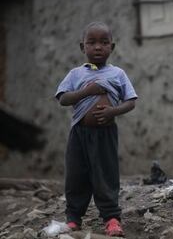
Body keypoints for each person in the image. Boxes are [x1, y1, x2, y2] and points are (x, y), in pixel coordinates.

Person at [55, 21, 137, 237]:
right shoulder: (75, 74)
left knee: (106, 174)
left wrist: (112, 112)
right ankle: (73, 219)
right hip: (79, 134)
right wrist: (87, 91)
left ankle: (111, 218)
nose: (98, 47)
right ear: (82, 47)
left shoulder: (118, 74)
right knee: (76, 175)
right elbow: (63, 99)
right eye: (91, 42)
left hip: (105, 134)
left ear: (112, 47)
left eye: (104, 42)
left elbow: (131, 101)